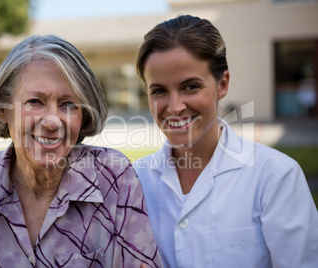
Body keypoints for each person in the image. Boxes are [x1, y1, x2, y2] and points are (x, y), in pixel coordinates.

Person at [0, 35, 163, 267]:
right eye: (35, 102)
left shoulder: (114, 178)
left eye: (68, 104)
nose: (52, 121)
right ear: (3, 108)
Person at [134, 15, 318, 268]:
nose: (174, 107)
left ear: (222, 84)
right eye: (159, 91)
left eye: (190, 86)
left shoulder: (275, 176)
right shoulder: (133, 181)